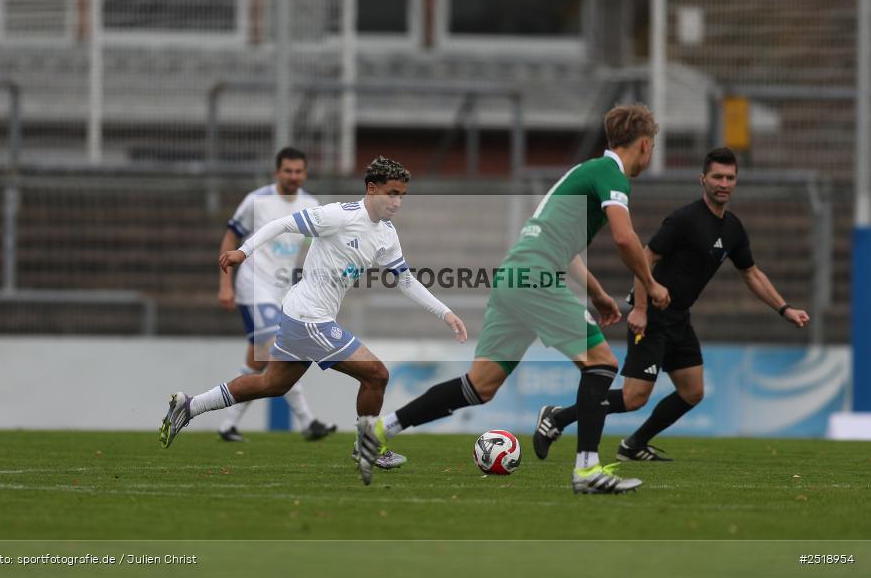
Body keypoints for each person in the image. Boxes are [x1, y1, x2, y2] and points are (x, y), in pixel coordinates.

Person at [358, 104, 671, 493]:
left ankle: (380, 428)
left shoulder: (586, 172)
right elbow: (625, 238)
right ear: (644, 144)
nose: (650, 153)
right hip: (537, 276)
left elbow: (565, 246)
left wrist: (598, 294)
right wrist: (650, 285)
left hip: (515, 275)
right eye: (652, 146)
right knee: (601, 364)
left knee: (480, 386)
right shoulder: (611, 175)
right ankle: (587, 471)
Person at [160, 156, 467, 481]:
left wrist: (445, 313)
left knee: (272, 383)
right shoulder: (339, 215)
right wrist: (244, 252)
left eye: (401, 196)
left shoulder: (386, 234)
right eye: (391, 193)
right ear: (371, 188)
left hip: (303, 314)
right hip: (309, 317)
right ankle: (367, 445)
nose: (396, 202)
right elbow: (283, 223)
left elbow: (405, 280)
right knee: (376, 375)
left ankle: (190, 406)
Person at [533, 147, 810, 462]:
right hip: (652, 316)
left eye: (730, 177)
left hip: (679, 318)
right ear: (702, 179)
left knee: (693, 391)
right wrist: (639, 308)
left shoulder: (732, 228)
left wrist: (784, 308)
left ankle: (634, 445)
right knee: (634, 398)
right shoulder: (684, 219)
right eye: (717, 176)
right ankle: (558, 418)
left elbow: (751, 273)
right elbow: (645, 259)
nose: (724, 183)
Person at [216, 146, 335, 443]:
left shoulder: (311, 204)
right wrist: (225, 284)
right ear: (277, 172)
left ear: (305, 173)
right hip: (253, 286)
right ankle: (308, 421)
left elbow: (316, 247)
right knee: (275, 349)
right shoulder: (257, 200)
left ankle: (227, 425)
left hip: (284, 291)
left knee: (257, 361)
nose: (293, 176)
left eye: (299, 171)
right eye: (288, 171)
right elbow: (231, 235)